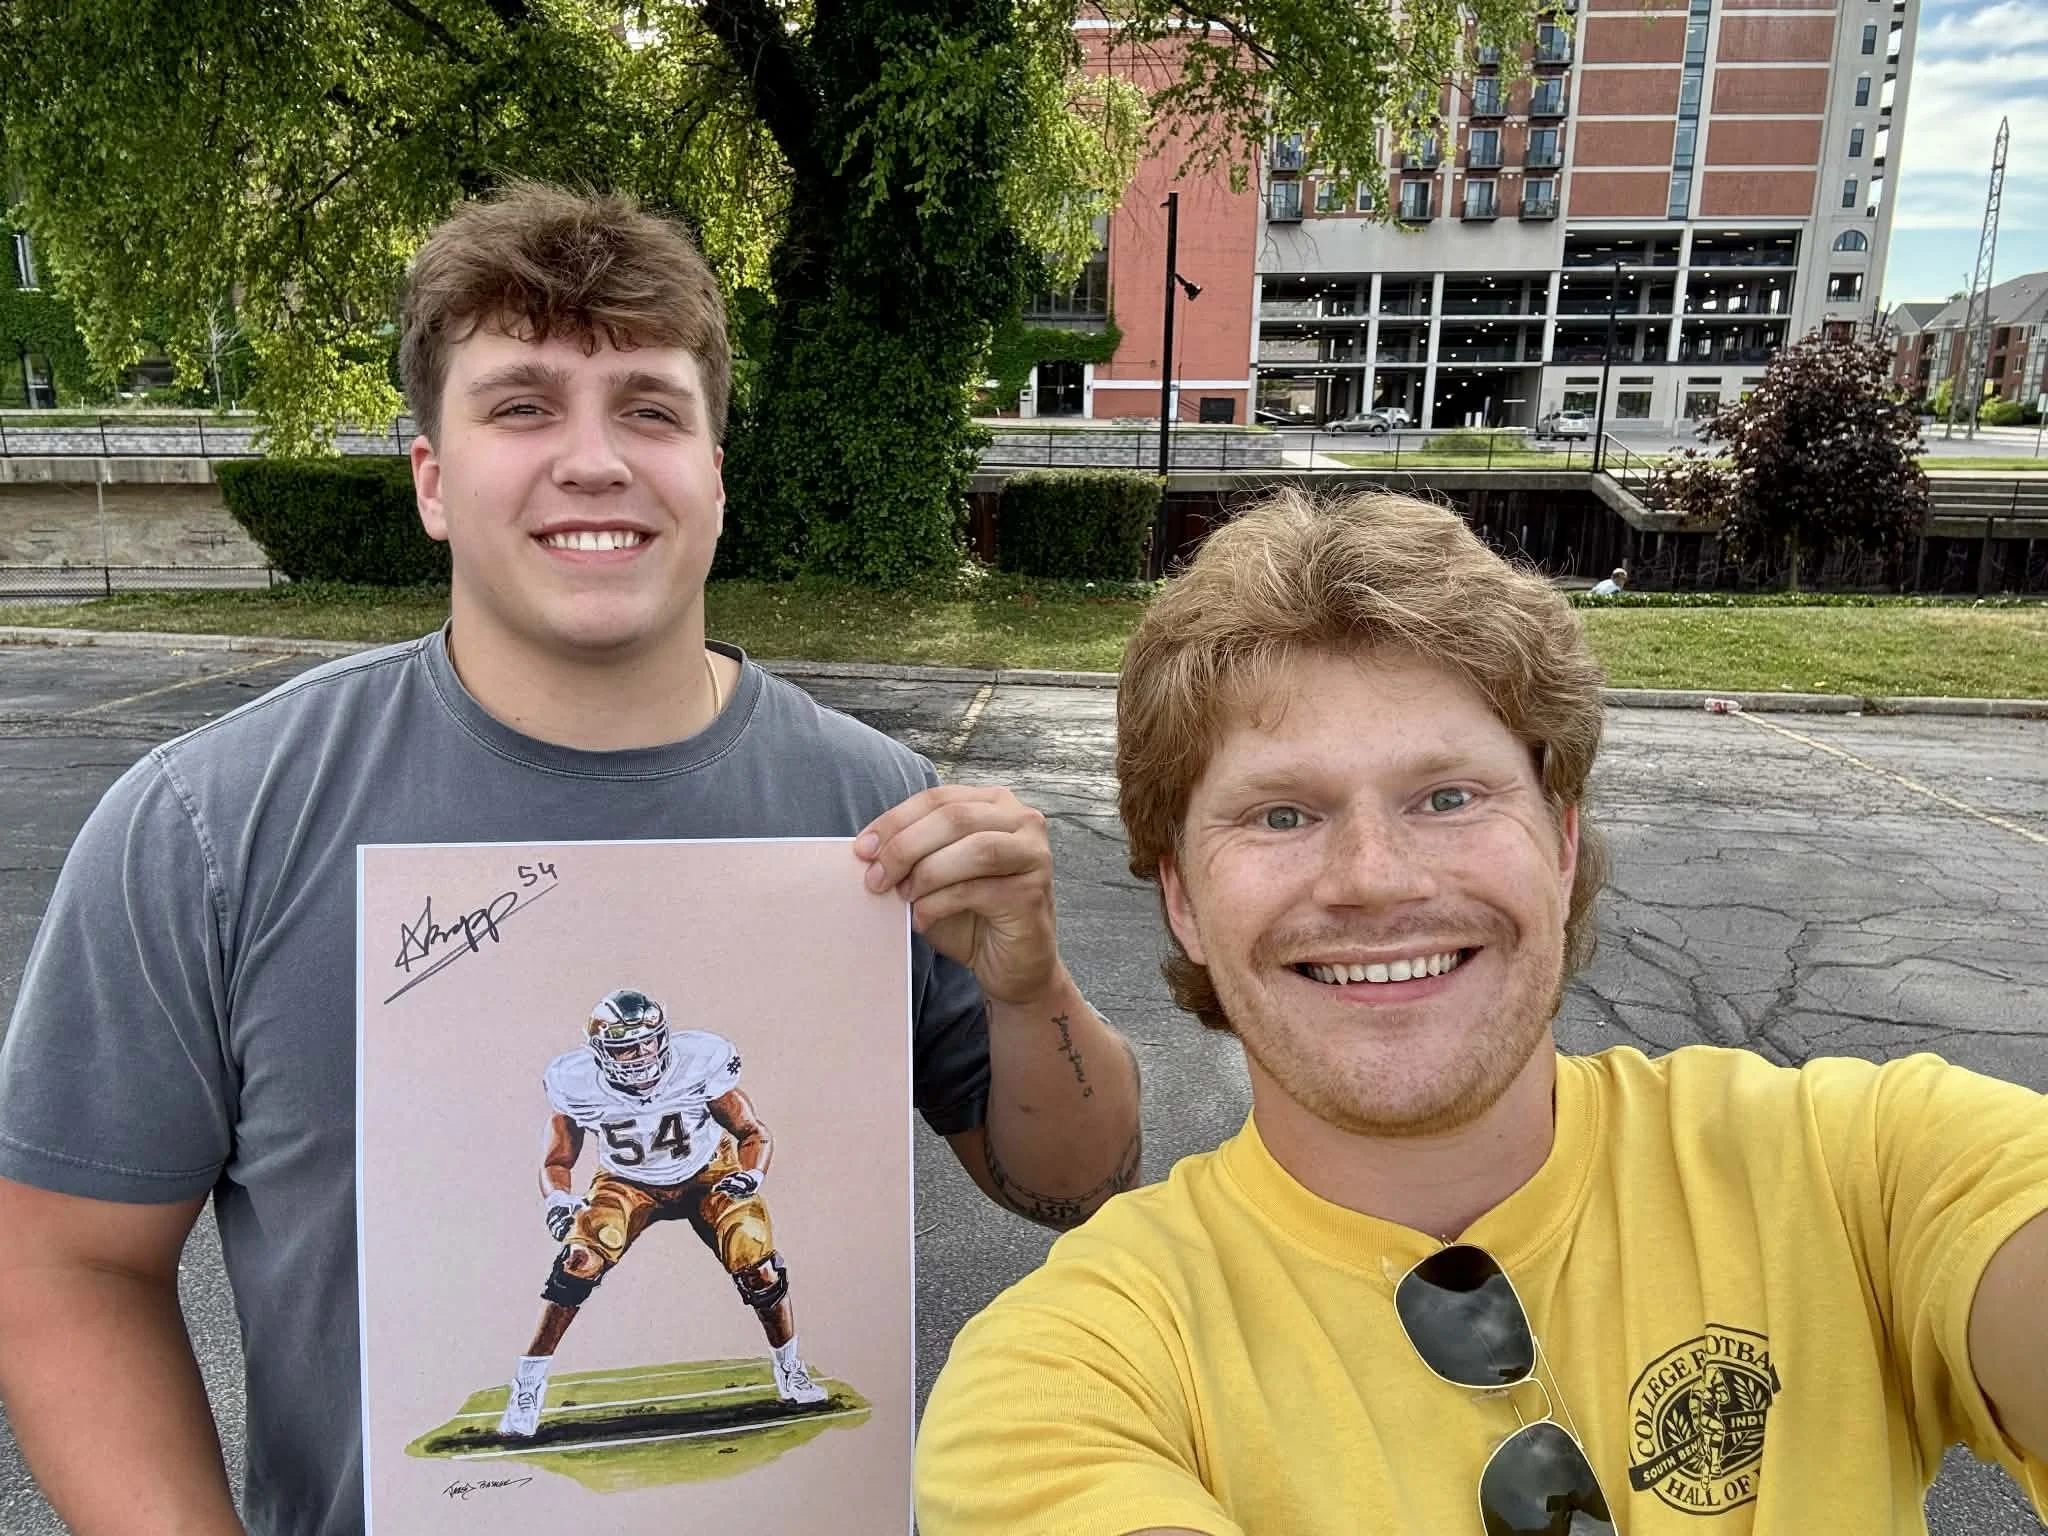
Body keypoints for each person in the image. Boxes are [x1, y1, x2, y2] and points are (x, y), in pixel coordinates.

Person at [0, 183, 1139, 1536]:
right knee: (574, 1280)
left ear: (717, 472)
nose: (594, 459)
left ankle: (775, 1371)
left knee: (758, 1267)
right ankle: (535, 1393)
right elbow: (64, 1264)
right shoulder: (212, 825)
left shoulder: (875, 814)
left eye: (651, 408)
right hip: (591, 1218)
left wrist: (1028, 988)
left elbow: (1074, 1186)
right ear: (432, 477)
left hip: (717, 1235)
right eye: (523, 404)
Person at [914, 488, 2047, 1535]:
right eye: (1277, 816)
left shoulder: (1863, 1172)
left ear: (1558, 848)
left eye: (1447, 796)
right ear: (1183, 901)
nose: (1373, 876)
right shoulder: (1067, 1374)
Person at [497, 986, 827, 1437]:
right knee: (577, 1262)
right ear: (600, 1052)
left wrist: (750, 1176)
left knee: (759, 1266)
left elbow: (753, 1132)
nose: (641, 1054)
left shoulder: (700, 1061)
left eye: (648, 1041)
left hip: (709, 1173)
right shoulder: (575, 1083)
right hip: (627, 1183)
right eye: (625, 1046)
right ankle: (528, 1385)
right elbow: (557, 1160)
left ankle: (791, 1370)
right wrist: (557, 1199)